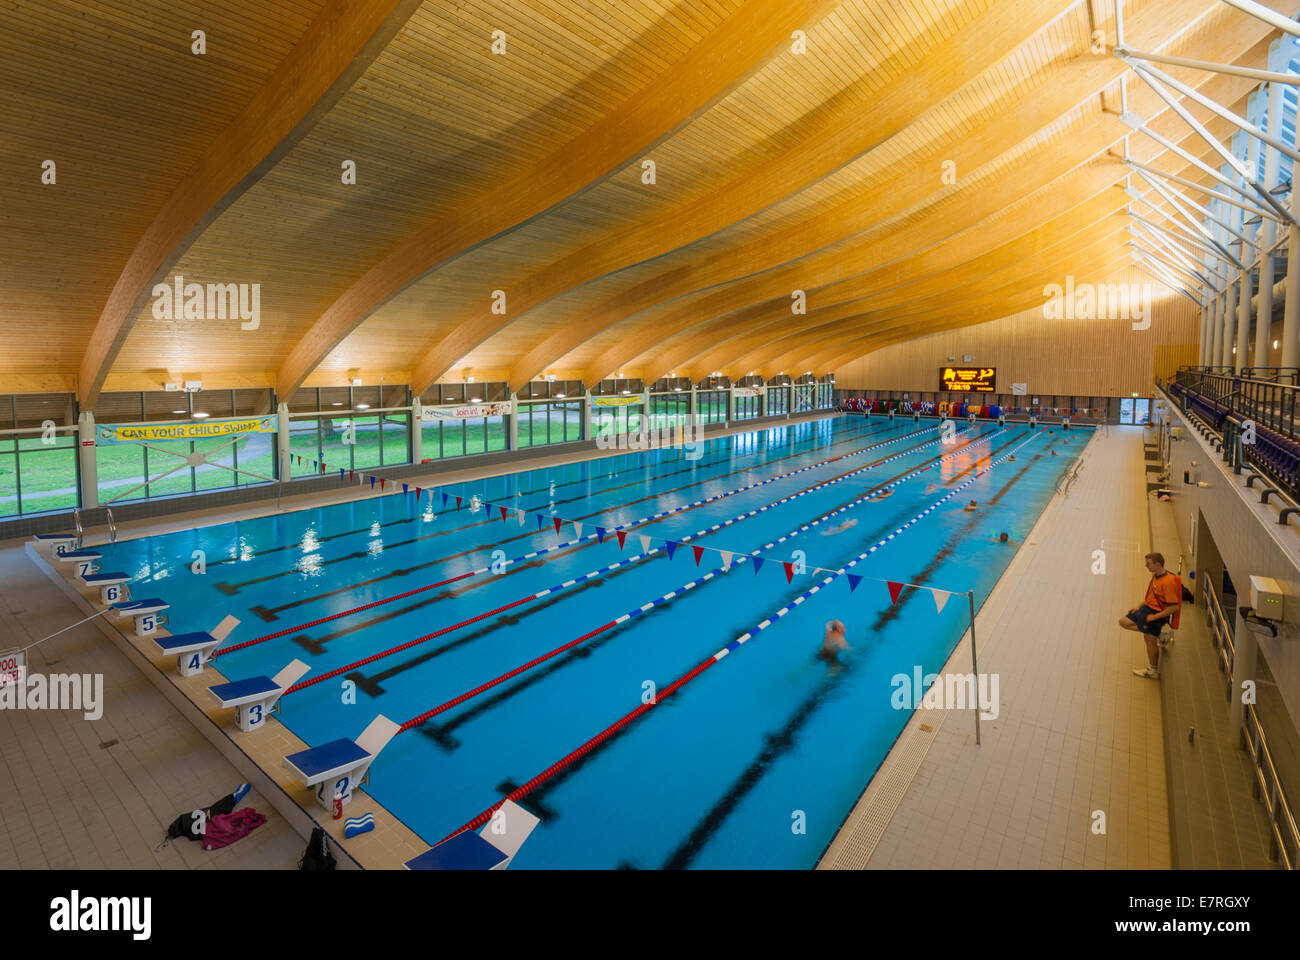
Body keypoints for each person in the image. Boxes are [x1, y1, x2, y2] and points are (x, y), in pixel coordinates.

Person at [1119, 552, 1181, 679]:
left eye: (1148, 563)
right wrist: (1139, 606)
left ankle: (1153, 670)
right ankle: (1158, 633)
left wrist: (1155, 617)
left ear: (1157, 564)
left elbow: (1174, 606)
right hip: (1147, 609)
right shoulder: (1156, 576)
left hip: (1156, 614)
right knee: (1123, 622)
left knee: (1149, 641)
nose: (1145, 565)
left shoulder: (1168, 582)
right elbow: (1151, 597)